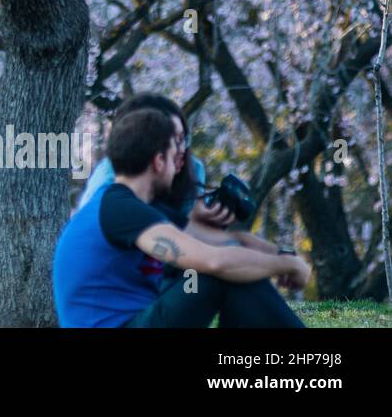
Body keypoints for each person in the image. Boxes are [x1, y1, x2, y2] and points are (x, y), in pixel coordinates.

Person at [53, 107, 308, 328]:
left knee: (227, 268)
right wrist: (287, 266)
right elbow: (215, 262)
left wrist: (282, 255)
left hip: (137, 319)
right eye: (175, 155)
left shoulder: (130, 207)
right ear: (159, 161)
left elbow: (228, 242)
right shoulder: (120, 209)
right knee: (215, 272)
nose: (180, 165)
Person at [78, 93, 280, 254]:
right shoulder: (109, 178)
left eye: (183, 138)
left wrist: (200, 223)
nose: (180, 148)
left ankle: (302, 305)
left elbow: (191, 243)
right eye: (171, 140)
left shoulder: (192, 168)